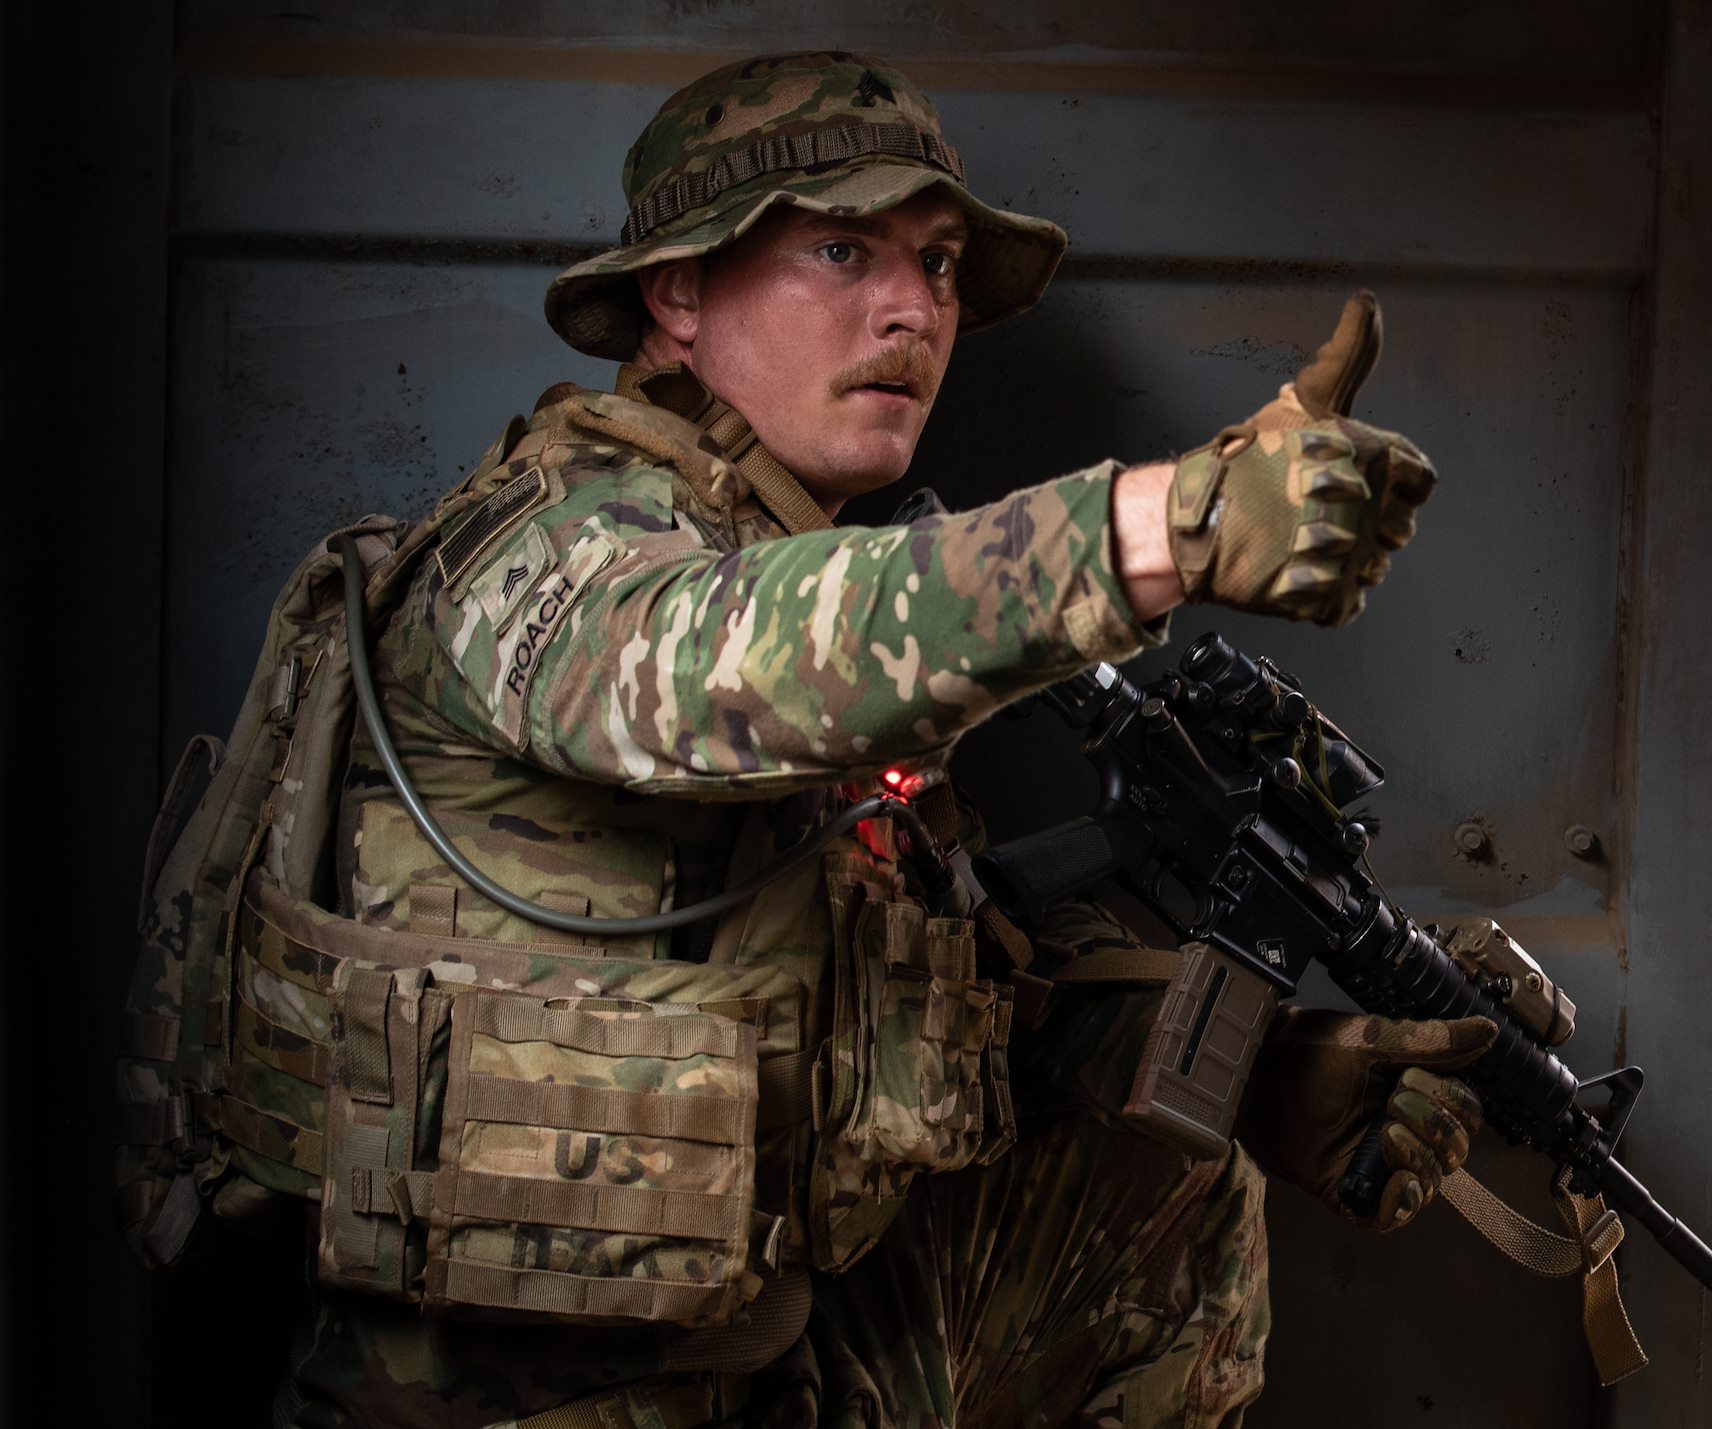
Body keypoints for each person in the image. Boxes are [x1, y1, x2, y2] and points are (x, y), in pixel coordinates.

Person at [275, 51, 1492, 1427]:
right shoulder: (553, 542)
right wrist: (1160, 527)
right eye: (844, 250)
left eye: (941, 262)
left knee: (1173, 1180)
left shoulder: (799, 570)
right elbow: (716, 661)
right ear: (679, 292)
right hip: (515, 1401)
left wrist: (1260, 1074)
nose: (914, 307)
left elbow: (923, 1012)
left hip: (767, 1349)